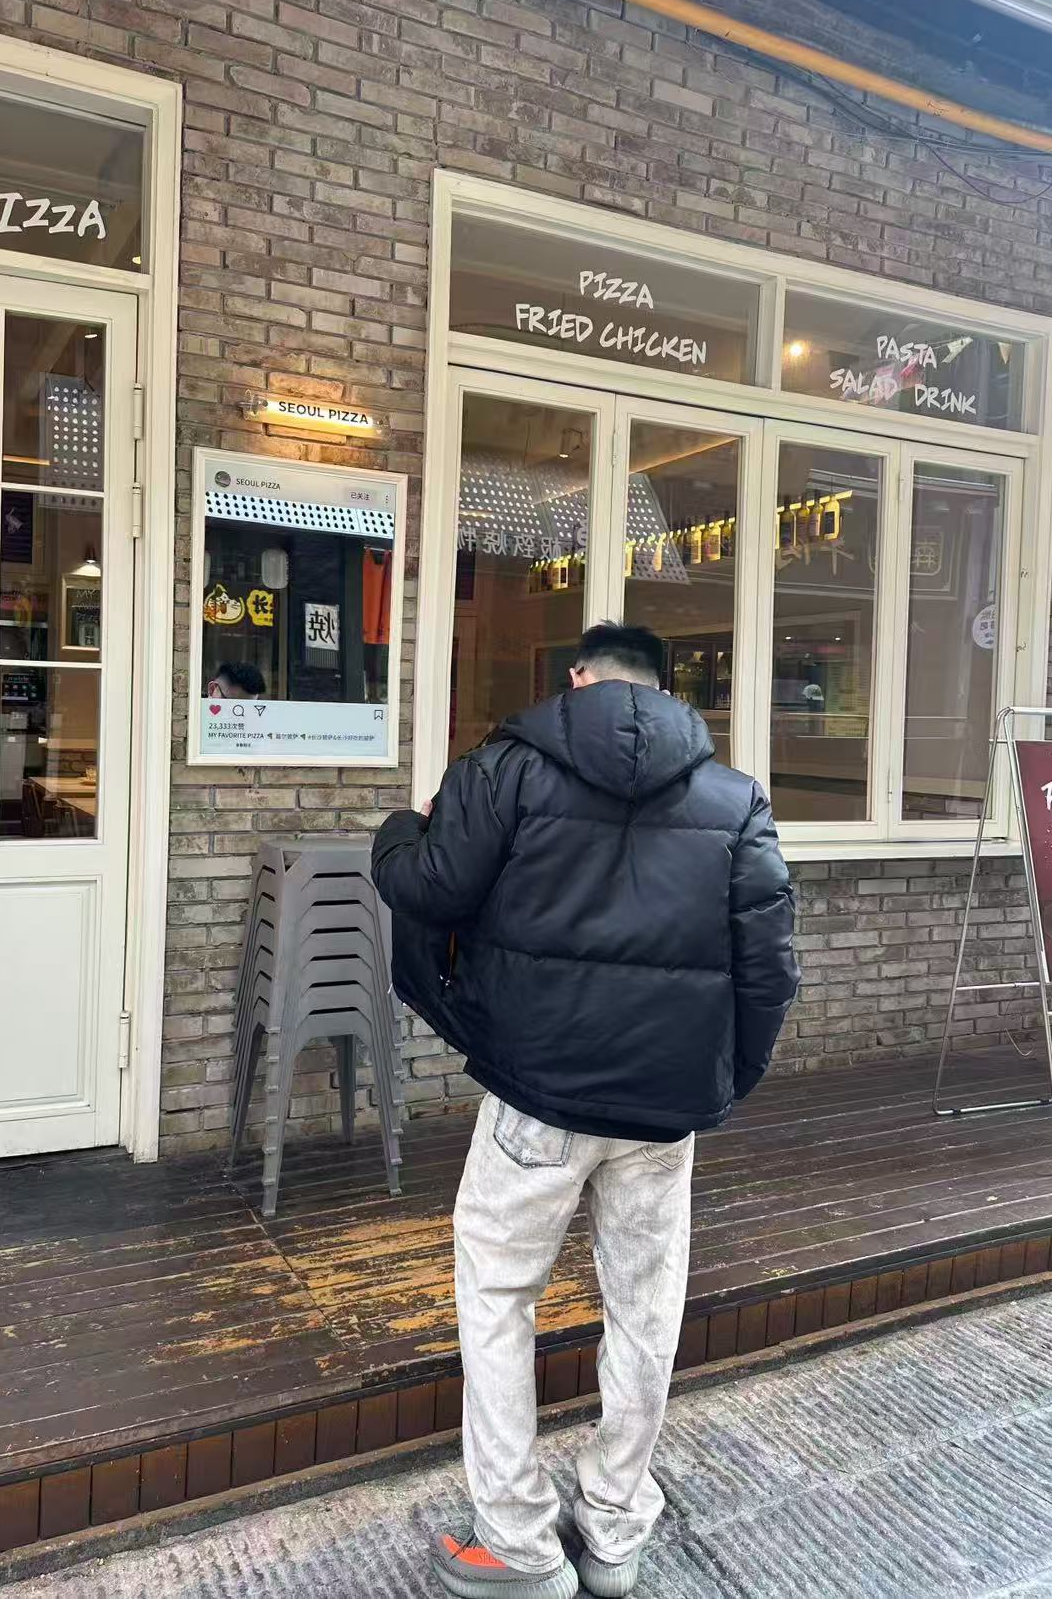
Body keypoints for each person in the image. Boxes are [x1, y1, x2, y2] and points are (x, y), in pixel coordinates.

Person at [372, 623, 798, 1599]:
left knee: (497, 1294)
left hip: (538, 1096)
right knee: (644, 1308)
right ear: (663, 688)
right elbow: (771, 967)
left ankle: (517, 1543)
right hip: (663, 1107)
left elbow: (428, 886)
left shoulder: (507, 768)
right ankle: (612, 1529)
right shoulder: (734, 799)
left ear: (577, 679)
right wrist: (722, 1080)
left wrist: (396, 828)